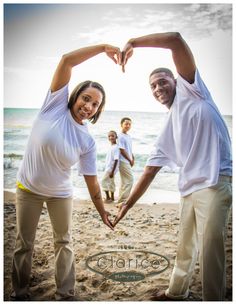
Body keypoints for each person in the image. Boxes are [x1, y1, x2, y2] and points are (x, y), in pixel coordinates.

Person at [114, 32, 232, 301]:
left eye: (162, 81)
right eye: (153, 86)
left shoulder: (193, 89)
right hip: (188, 189)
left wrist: (132, 41)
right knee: (185, 246)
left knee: (211, 247)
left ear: (176, 80)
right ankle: (176, 292)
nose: (158, 88)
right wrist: (125, 206)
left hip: (215, 183)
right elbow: (148, 171)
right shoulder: (168, 126)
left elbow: (176, 40)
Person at [11, 43, 121, 301]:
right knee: (23, 244)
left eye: (95, 104)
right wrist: (104, 47)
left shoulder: (88, 141)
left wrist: (102, 212)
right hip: (28, 190)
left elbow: (92, 183)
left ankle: (65, 293)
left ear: (98, 110)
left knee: (64, 243)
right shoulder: (53, 107)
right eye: (86, 98)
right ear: (74, 96)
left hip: (60, 195)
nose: (89, 106)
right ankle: (20, 292)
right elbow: (67, 61)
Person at [117, 117, 134, 204]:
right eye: (126, 124)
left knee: (124, 181)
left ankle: (120, 200)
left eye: (129, 124)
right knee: (130, 180)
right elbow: (122, 150)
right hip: (123, 160)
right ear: (121, 125)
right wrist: (129, 159)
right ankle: (123, 200)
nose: (128, 126)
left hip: (127, 160)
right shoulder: (120, 136)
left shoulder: (128, 136)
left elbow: (129, 149)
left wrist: (133, 158)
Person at [101, 130, 120, 202]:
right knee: (111, 182)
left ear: (116, 137)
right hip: (110, 168)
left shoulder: (115, 147)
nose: (111, 137)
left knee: (103, 181)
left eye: (112, 136)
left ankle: (108, 197)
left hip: (110, 169)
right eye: (109, 136)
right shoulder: (112, 146)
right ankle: (112, 197)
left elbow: (116, 160)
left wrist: (112, 171)